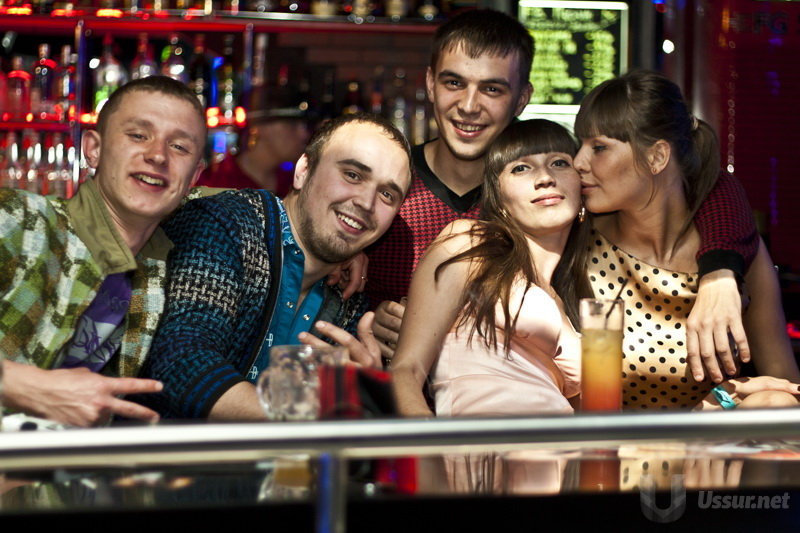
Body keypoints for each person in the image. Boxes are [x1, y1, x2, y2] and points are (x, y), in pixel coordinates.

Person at [367, 8, 760, 384]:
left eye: (492, 89)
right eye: (454, 83)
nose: (469, 106)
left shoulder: (555, 183)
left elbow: (708, 187)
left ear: (522, 98)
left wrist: (719, 273)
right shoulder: (389, 184)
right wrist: (368, 313)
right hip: (402, 406)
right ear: (430, 83)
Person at [139, 113, 413, 420]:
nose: (366, 202)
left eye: (387, 194)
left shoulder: (348, 296)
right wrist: (304, 420)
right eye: (352, 175)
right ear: (303, 171)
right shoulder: (227, 225)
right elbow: (181, 362)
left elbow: (332, 412)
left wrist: (363, 390)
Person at [573, 70, 800, 410]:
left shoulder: (735, 249)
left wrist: (719, 400)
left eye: (599, 148)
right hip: (602, 439)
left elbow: (786, 383)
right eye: (580, 145)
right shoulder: (575, 242)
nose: (578, 162)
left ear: (657, 157)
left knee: (776, 403)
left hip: (703, 439)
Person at [0, 76, 207, 427]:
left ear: (194, 177)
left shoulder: (159, 269)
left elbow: (269, 209)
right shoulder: (18, 220)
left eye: (179, 147)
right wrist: (27, 386)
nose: (157, 155)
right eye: (138, 135)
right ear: (93, 149)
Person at [392, 119, 586, 418]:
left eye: (559, 163)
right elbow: (405, 371)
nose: (545, 177)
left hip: (565, 444)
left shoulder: (573, 295)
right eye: (521, 168)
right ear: (499, 197)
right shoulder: (470, 245)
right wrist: (430, 444)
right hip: (476, 444)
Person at [197, 87, 310, 196]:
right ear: (259, 126)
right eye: (291, 124)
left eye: (304, 126)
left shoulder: (295, 184)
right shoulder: (215, 185)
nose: (304, 134)